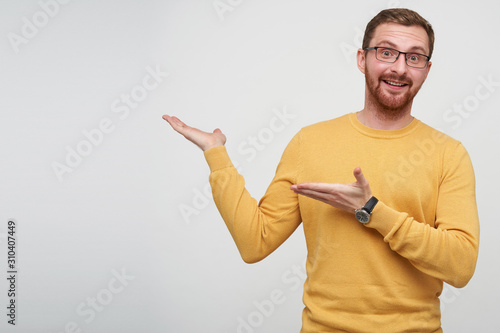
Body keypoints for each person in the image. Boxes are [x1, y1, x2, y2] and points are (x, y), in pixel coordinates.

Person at [163, 8, 479, 333]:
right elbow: (254, 242)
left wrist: (371, 211)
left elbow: (461, 266)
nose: (399, 67)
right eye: (387, 53)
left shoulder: (448, 154)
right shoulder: (309, 142)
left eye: (414, 58)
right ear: (362, 59)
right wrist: (216, 154)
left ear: (427, 69)